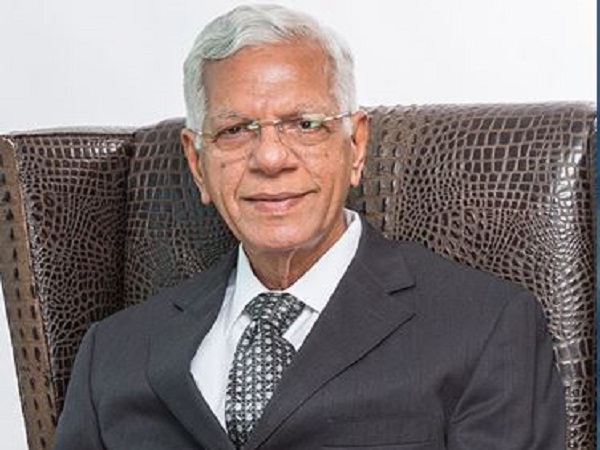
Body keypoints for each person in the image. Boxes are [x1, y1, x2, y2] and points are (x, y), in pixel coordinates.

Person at [54, 4, 565, 449]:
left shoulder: (483, 328)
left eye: (304, 124)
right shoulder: (113, 355)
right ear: (197, 162)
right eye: (235, 130)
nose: (271, 157)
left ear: (356, 145)